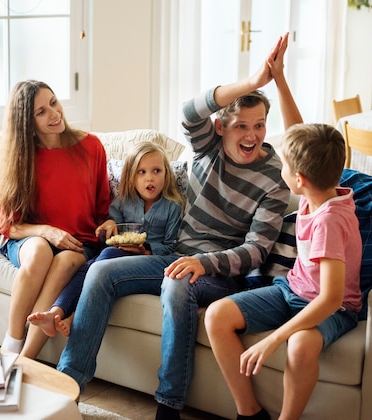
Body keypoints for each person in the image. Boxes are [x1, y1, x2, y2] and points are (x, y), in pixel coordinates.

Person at [56, 32, 303, 420]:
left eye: (259, 125)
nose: (252, 136)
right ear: (221, 128)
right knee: (101, 270)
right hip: (173, 255)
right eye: (241, 126)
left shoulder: (275, 175)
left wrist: (204, 264)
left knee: (177, 283)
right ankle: (67, 388)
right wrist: (254, 82)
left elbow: (256, 250)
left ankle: (168, 406)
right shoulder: (207, 147)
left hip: (219, 272)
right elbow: (191, 110)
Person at [204, 123, 362, 420]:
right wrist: (280, 81)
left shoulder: (329, 221)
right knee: (217, 315)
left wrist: (274, 338)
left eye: (285, 166)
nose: (281, 169)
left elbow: (330, 299)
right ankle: (249, 413)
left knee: (300, 343)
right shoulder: (315, 194)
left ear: (299, 179)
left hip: (334, 309)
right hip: (290, 289)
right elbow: (299, 133)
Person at [0, 80, 111, 358]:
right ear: (27, 123)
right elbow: (8, 224)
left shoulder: (91, 146)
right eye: (41, 112)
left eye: (54, 103)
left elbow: (103, 208)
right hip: (30, 237)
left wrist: (108, 226)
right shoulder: (22, 158)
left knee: (66, 261)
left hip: (78, 242)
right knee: (40, 253)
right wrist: (47, 231)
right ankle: (10, 344)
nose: (54, 114)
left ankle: (25, 361)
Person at [28, 142, 185, 337]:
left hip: (147, 261)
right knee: (91, 265)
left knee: (102, 261)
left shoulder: (172, 207)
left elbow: (171, 247)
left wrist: (146, 249)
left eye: (156, 171)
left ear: (166, 174)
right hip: (115, 256)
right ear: (130, 176)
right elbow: (108, 237)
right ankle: (57, 312)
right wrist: (108, 226)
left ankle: (69, 313)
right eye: (141, 172)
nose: (150, 178)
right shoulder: (123, 202)